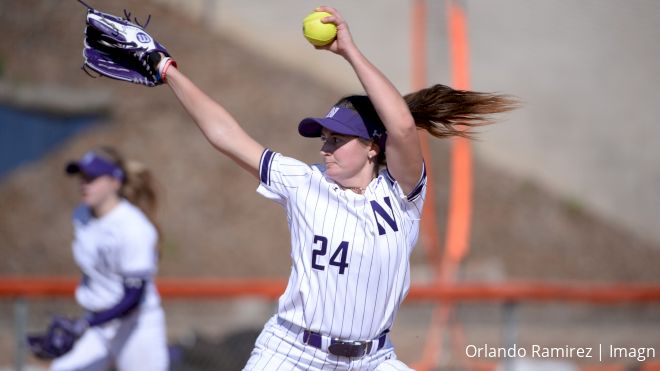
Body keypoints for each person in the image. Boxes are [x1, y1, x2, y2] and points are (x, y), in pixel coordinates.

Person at [149, 6, 513, 370]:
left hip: (373, 359)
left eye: (338, 139)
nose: (325, 148)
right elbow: (225, 135)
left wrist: (349, 52)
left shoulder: (400, 196)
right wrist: (169, 71)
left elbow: (401, 127)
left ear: (373, 146)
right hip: (292, 352)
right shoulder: (303, 182)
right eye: (324, 137)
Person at [51, 146, 169, 371]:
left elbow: (134, 295)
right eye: (82, 177)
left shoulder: (133, 228)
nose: (84, 183)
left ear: (115, 181)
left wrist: (86, 323)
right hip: (99, 323)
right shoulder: (81, 215)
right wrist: (89, 320)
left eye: (93, 178)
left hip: (135, 325)